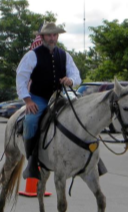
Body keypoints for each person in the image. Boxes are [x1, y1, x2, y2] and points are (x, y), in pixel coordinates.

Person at [15, 22, 81, 180]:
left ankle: (90, 158)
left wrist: (70, 81)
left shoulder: (64, 55)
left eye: (54, 35)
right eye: (49, 35)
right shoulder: (32, 55)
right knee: (30, 121)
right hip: (39, 98)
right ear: (43, 36)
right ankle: (31, 161)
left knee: (80, 115)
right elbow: (21, 78)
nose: (52, 38)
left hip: (60, 96)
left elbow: (76, 75)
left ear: (57, 36)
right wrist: (28, 100)